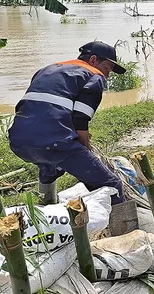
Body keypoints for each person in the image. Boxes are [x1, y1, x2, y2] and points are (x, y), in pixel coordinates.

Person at [8, 42, 126, 205]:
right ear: (93, 60)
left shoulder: (47, 69)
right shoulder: (94, 75)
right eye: (107, 69)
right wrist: (85, 147)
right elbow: (80, 119)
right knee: (111, 185)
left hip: (19, 142)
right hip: (54, 141)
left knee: (50, 167)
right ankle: (123, 228)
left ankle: (47, 205)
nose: (107, 75)